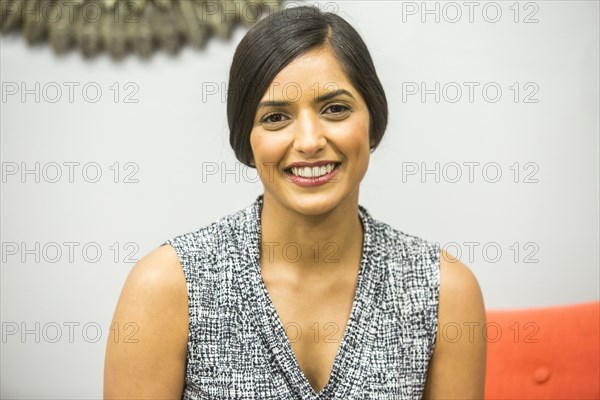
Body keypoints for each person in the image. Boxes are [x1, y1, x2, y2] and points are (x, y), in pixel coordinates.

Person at [104, 5, 486, 399]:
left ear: (374, 121)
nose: (308, 141)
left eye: (335, 109)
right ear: (247, 142)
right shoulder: (167, 286)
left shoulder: (445, 290)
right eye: (275, 117)